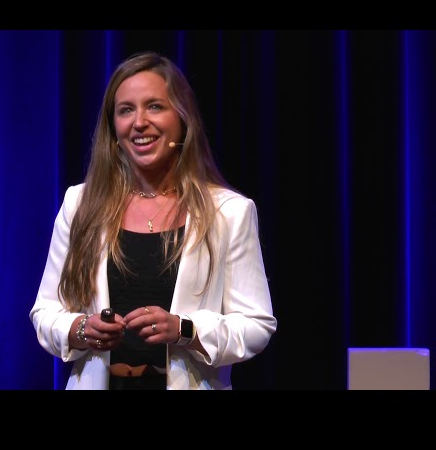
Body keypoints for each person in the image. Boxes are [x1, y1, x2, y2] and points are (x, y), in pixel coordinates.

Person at [29, 51, 276, 390]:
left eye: (155, 106)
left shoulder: (228, 212)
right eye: (125, 110)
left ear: (183, 119)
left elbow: (256, 325)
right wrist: (81, 329)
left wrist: (185, 330)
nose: (139, 122)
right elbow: (45, 313)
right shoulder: (81, 204)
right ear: (113, 128)